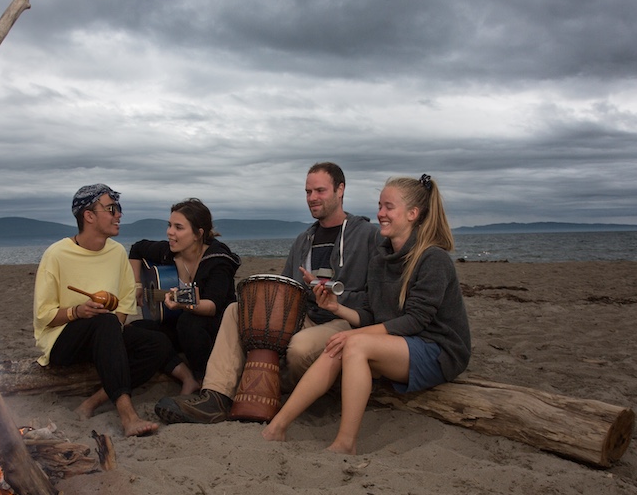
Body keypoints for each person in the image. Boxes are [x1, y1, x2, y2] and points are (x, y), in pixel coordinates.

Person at [155, 162, 381, 424]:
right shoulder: (303, 240)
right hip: (304, 316)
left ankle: (274, 386)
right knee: (234, 310)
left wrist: (335, 300)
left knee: (299, 348)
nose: (312, 198)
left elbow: (374, 298)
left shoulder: (366, 236)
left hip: (341, 320)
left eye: (320, 190)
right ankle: (216, 396)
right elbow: (286, 289)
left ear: (340, 190)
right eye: (308, 192)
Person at [261, 174, 471, 454]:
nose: (380, 214)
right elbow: (372, 314)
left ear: (412, 214)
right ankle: (277, 427)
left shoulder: (433, 258)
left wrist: (354, 335)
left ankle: (345, 443)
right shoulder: (382, 258)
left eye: (388, 207)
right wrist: (337, 308)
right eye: (380, 206)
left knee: (353, 342)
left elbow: (416, 321)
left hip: (438, 348)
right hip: (400, 343)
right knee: (337, 345)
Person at [33, 183, 198, 437]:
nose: (119, 214)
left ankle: (92, 402)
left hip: (104, 334)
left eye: (118, 208)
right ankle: (127, 415)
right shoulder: (56, 255)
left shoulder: (116, 252)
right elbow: (44, 316)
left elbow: (124, 304)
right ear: (89, 216)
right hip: (62, 340)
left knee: (157, 342)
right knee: (105, 321)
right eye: (112, 209)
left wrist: (115, 331)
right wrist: (77, 311)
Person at [128, 198, 242, 381]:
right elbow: (137, 249)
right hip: (180, 326)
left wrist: (183, 304)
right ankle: (185, 376)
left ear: (198, 233)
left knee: (189, 322)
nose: (170, 232)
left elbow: (212, 306)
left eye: (178, 227)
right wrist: (138, 285)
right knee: (135, 330)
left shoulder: (218, 260)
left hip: (217, 328)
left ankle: (204, 379)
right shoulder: (169, 251)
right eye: (169, 225)